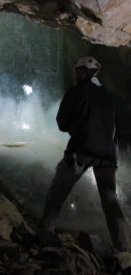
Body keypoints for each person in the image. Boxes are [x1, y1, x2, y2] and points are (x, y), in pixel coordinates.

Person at [38, 56, 130, 251]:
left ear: (81, 72)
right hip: (107, 154)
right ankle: (124, 248)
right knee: (110, 200)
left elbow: (62, 123)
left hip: (81, 150)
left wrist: (76, 128)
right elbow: (114, 127)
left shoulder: (75, 91)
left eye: (76, 71)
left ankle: (43, 235)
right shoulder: (108, 95)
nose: (75, 74)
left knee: (58, 192)